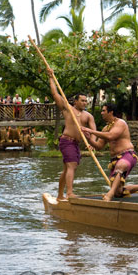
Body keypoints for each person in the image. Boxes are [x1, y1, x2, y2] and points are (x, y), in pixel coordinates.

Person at [46, 67, 96, 200]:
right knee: (72, 165)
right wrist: (51, 78)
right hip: (66, 141)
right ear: (76, 101)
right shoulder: (68, 109)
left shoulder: (88, 116)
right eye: (82, 100)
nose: (85, 103)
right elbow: (55, 94)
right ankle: (69, 193)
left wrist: (93, 144)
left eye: (86, 101)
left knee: (67, 168)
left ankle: (59, 195)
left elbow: (94, 131)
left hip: (76, 143)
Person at [81, 104, 138, 201]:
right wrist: (89, 139)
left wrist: (91, 131)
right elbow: (99, 146)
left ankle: (109, 194)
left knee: (121, 166)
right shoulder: (105, 128)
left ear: (111, 112)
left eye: (104, 111)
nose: (101, 113)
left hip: (127, 155)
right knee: (118, 192)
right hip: (114, 160)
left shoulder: (120, 123)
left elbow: (111, 136)